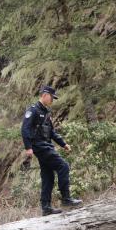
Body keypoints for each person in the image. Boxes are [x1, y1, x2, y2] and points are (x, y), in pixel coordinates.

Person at [21, 85, 83, 215]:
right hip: (39, 146)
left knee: (48, 176)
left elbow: (51, 132)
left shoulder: (46, 112)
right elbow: (25, 129)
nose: (52, 100)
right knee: (63, 166)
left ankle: (46, 208)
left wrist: (63, 144)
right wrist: (28, 147)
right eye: (51, 97)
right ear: (45, 95)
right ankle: (66, 198)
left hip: (46, 145)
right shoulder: (33, 110)